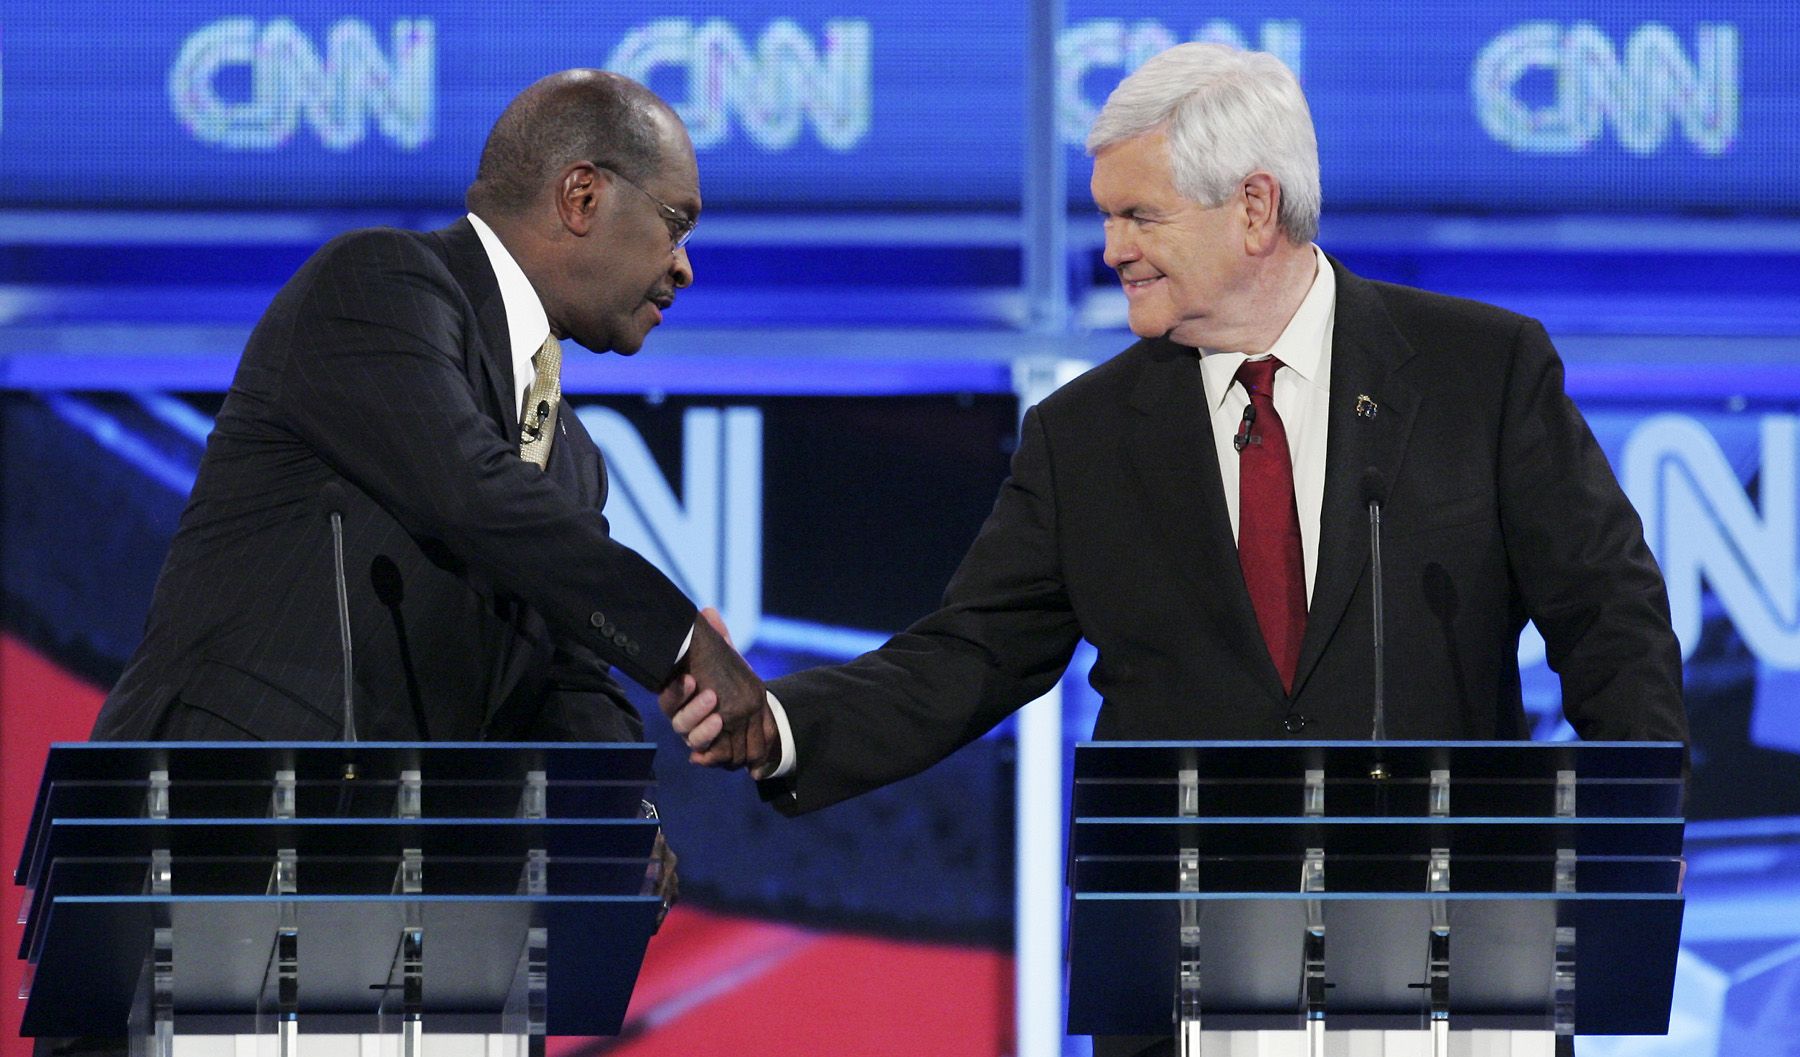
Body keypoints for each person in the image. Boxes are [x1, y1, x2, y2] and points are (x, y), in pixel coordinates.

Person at [667, 45, 1687, 837]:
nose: (1112, 249)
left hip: (1447, 941)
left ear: (1254, 208)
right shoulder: (1084, 436)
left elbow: (1608, 611)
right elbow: (968, 656)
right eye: (1106, 217)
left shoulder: (1481, 372)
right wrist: (780, 721)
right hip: (1184, 955)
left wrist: (1636, 817)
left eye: (1139, 216)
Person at [91, 69, 766, 761]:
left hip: (392, 824)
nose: (684, 268)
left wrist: (630, 806)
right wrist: (681, 639)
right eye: (677, 225)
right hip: (215, 797)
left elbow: (567, 683)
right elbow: (471, 492)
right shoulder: (377, 284)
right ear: (582, 196)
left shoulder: (572, 459)